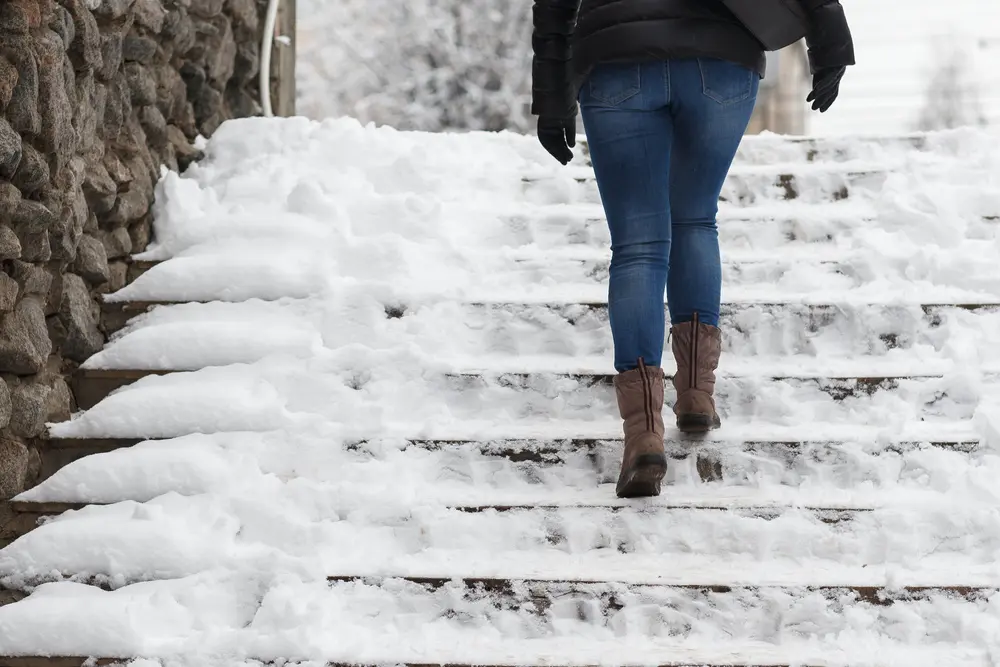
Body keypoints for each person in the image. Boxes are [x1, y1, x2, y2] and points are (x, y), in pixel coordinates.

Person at [530, 0, 855, 498]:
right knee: (696, 220)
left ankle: (643, 434)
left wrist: (552, 93)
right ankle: (697, 394)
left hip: (617, 60)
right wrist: (830, 43)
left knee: (638, 245)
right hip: (719, 59)